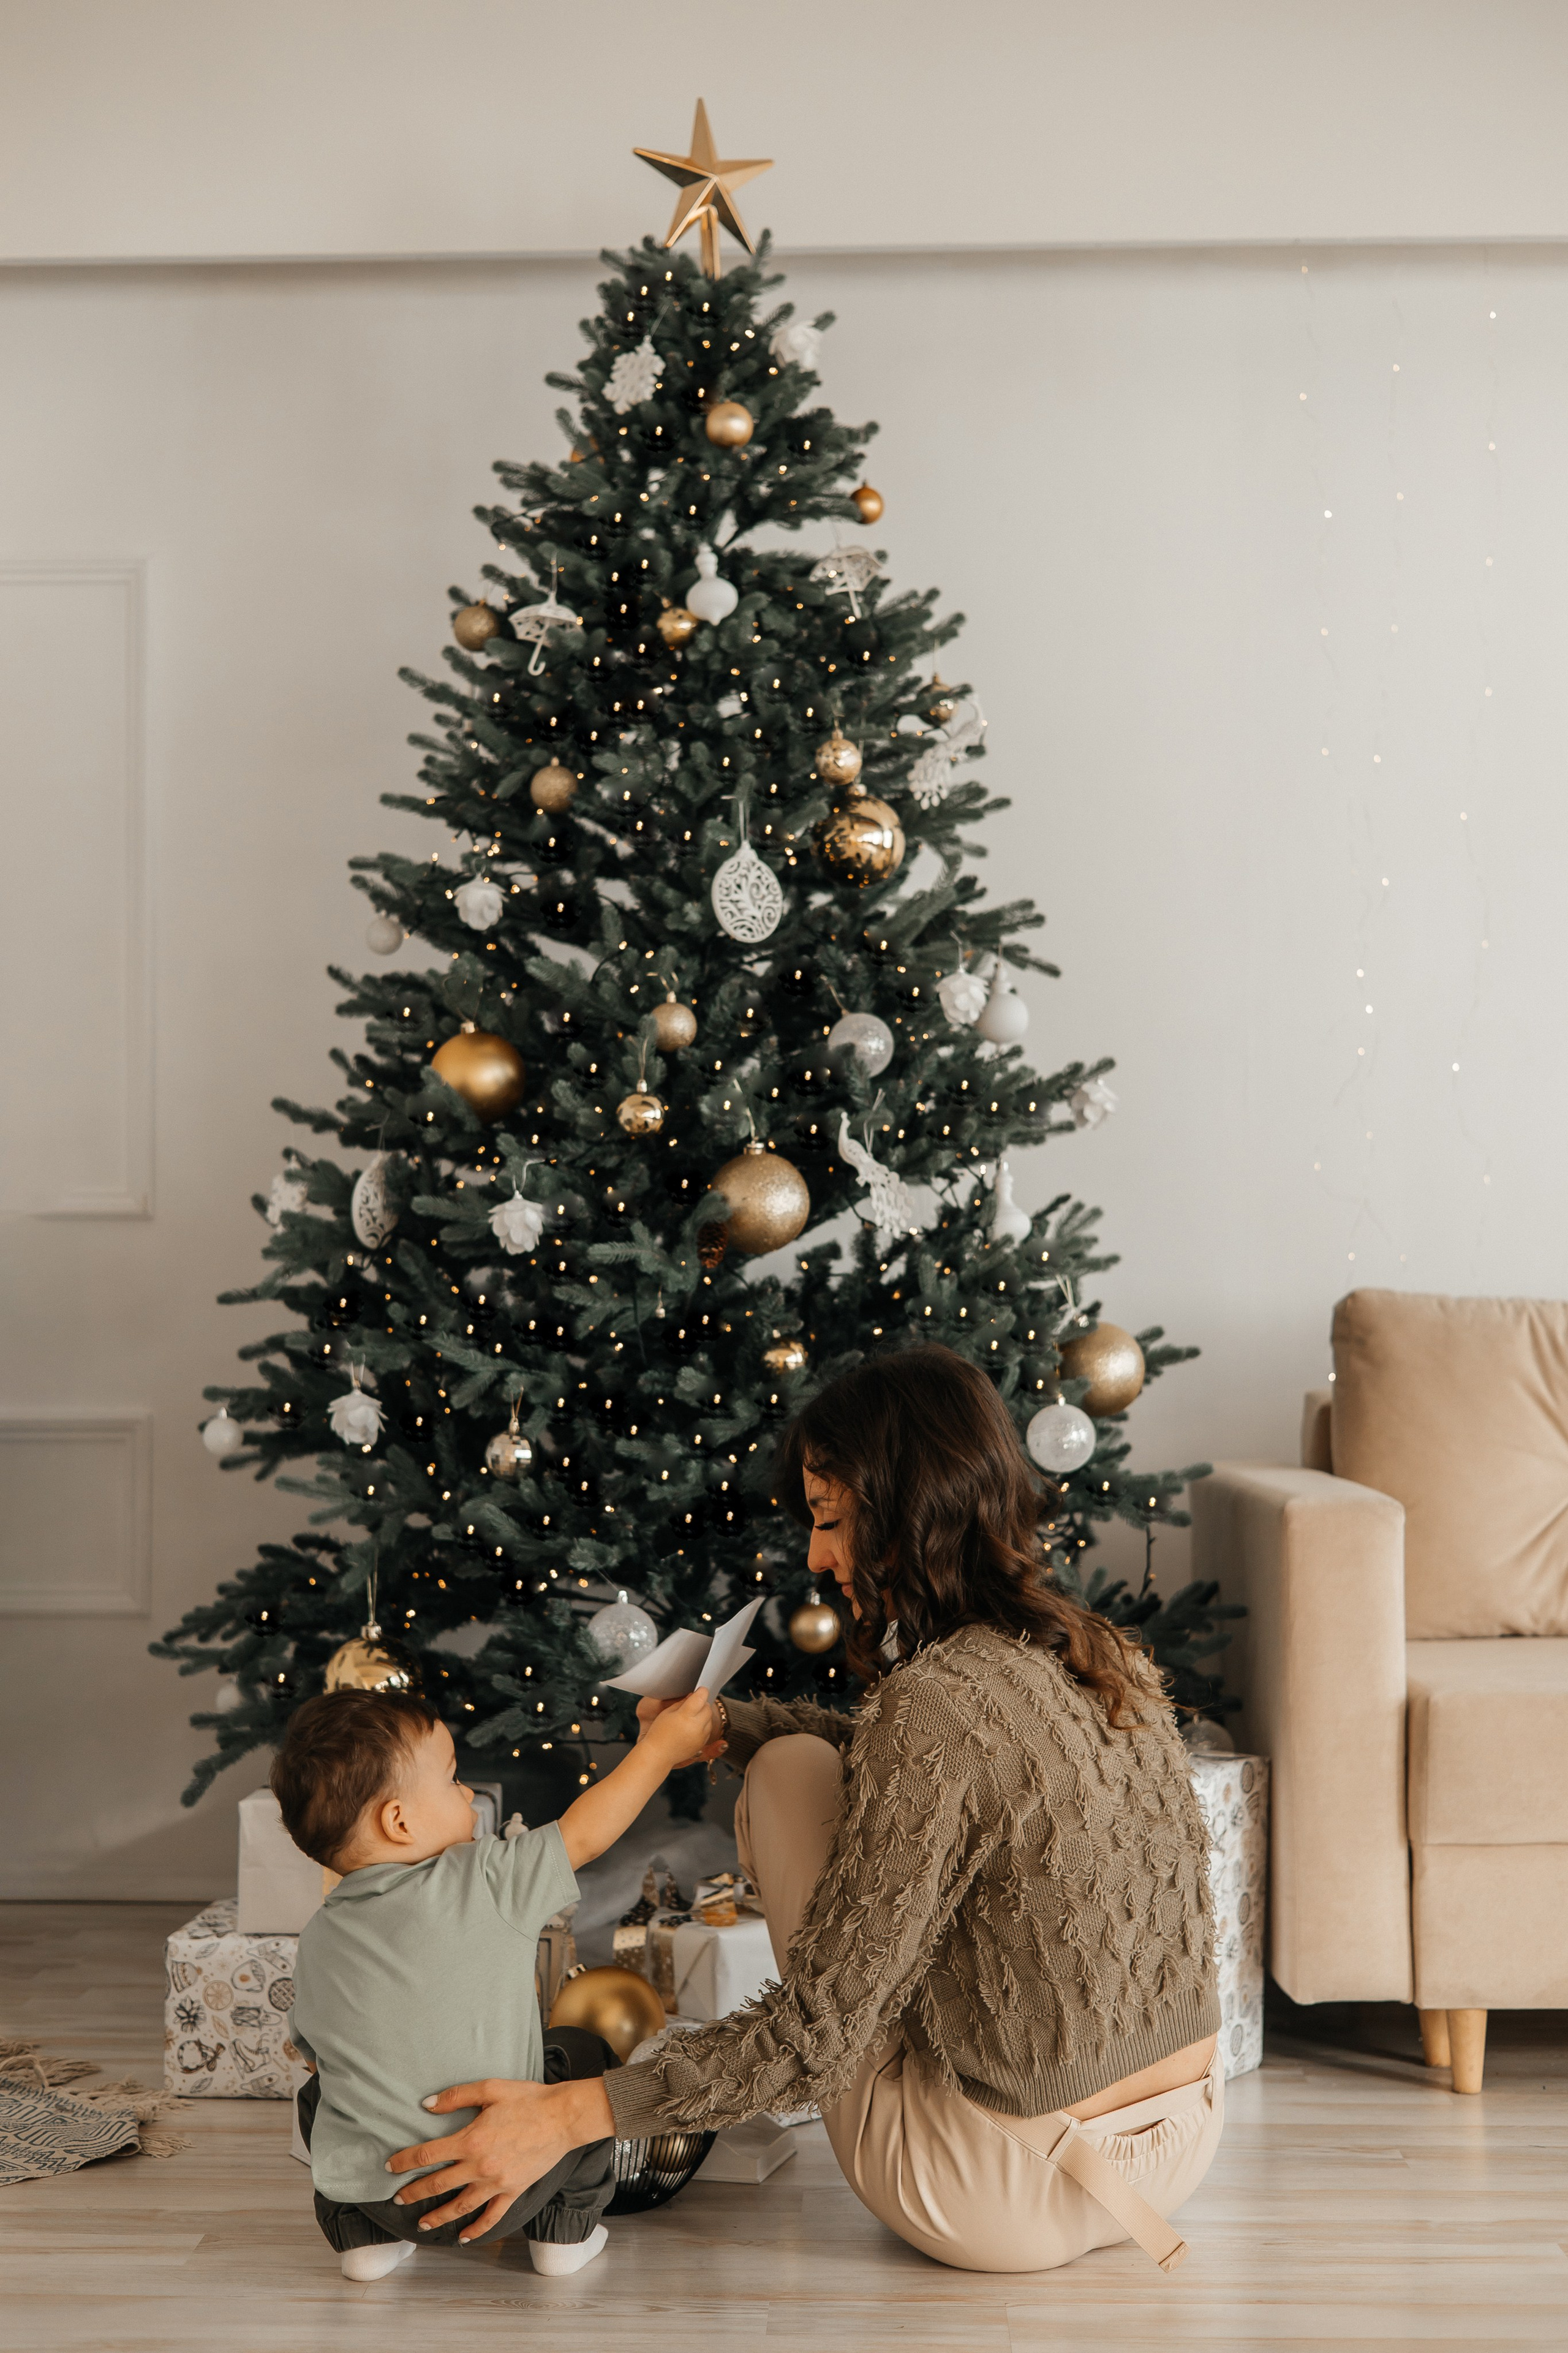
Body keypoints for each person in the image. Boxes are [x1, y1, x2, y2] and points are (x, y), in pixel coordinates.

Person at [385, 1343, 1224, 2275]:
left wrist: (563, 2117)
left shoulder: (937, 1703)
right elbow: (948, 1770)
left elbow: (813, 2039)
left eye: (830, 1520)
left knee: (789, 1773)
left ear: (908, 1507)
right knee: (800, 1757)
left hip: (1006, 2195)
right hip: (1180, 2148)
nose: (819, 1557)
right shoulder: (1097, 1646)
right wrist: (730, 1723)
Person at [274, 1680, 722, 2281]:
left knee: (318, 2096)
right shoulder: (480, 1877)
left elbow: (313, 2054)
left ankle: (362, 2239)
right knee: (583, 2052)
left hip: (386, 2194)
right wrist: (660, 1749)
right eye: (454, 1779)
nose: (467, 1795)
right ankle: (565, 2231)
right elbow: (586, 1832)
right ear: (399, 1821)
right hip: (515, 2187)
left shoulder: (318, 1935)